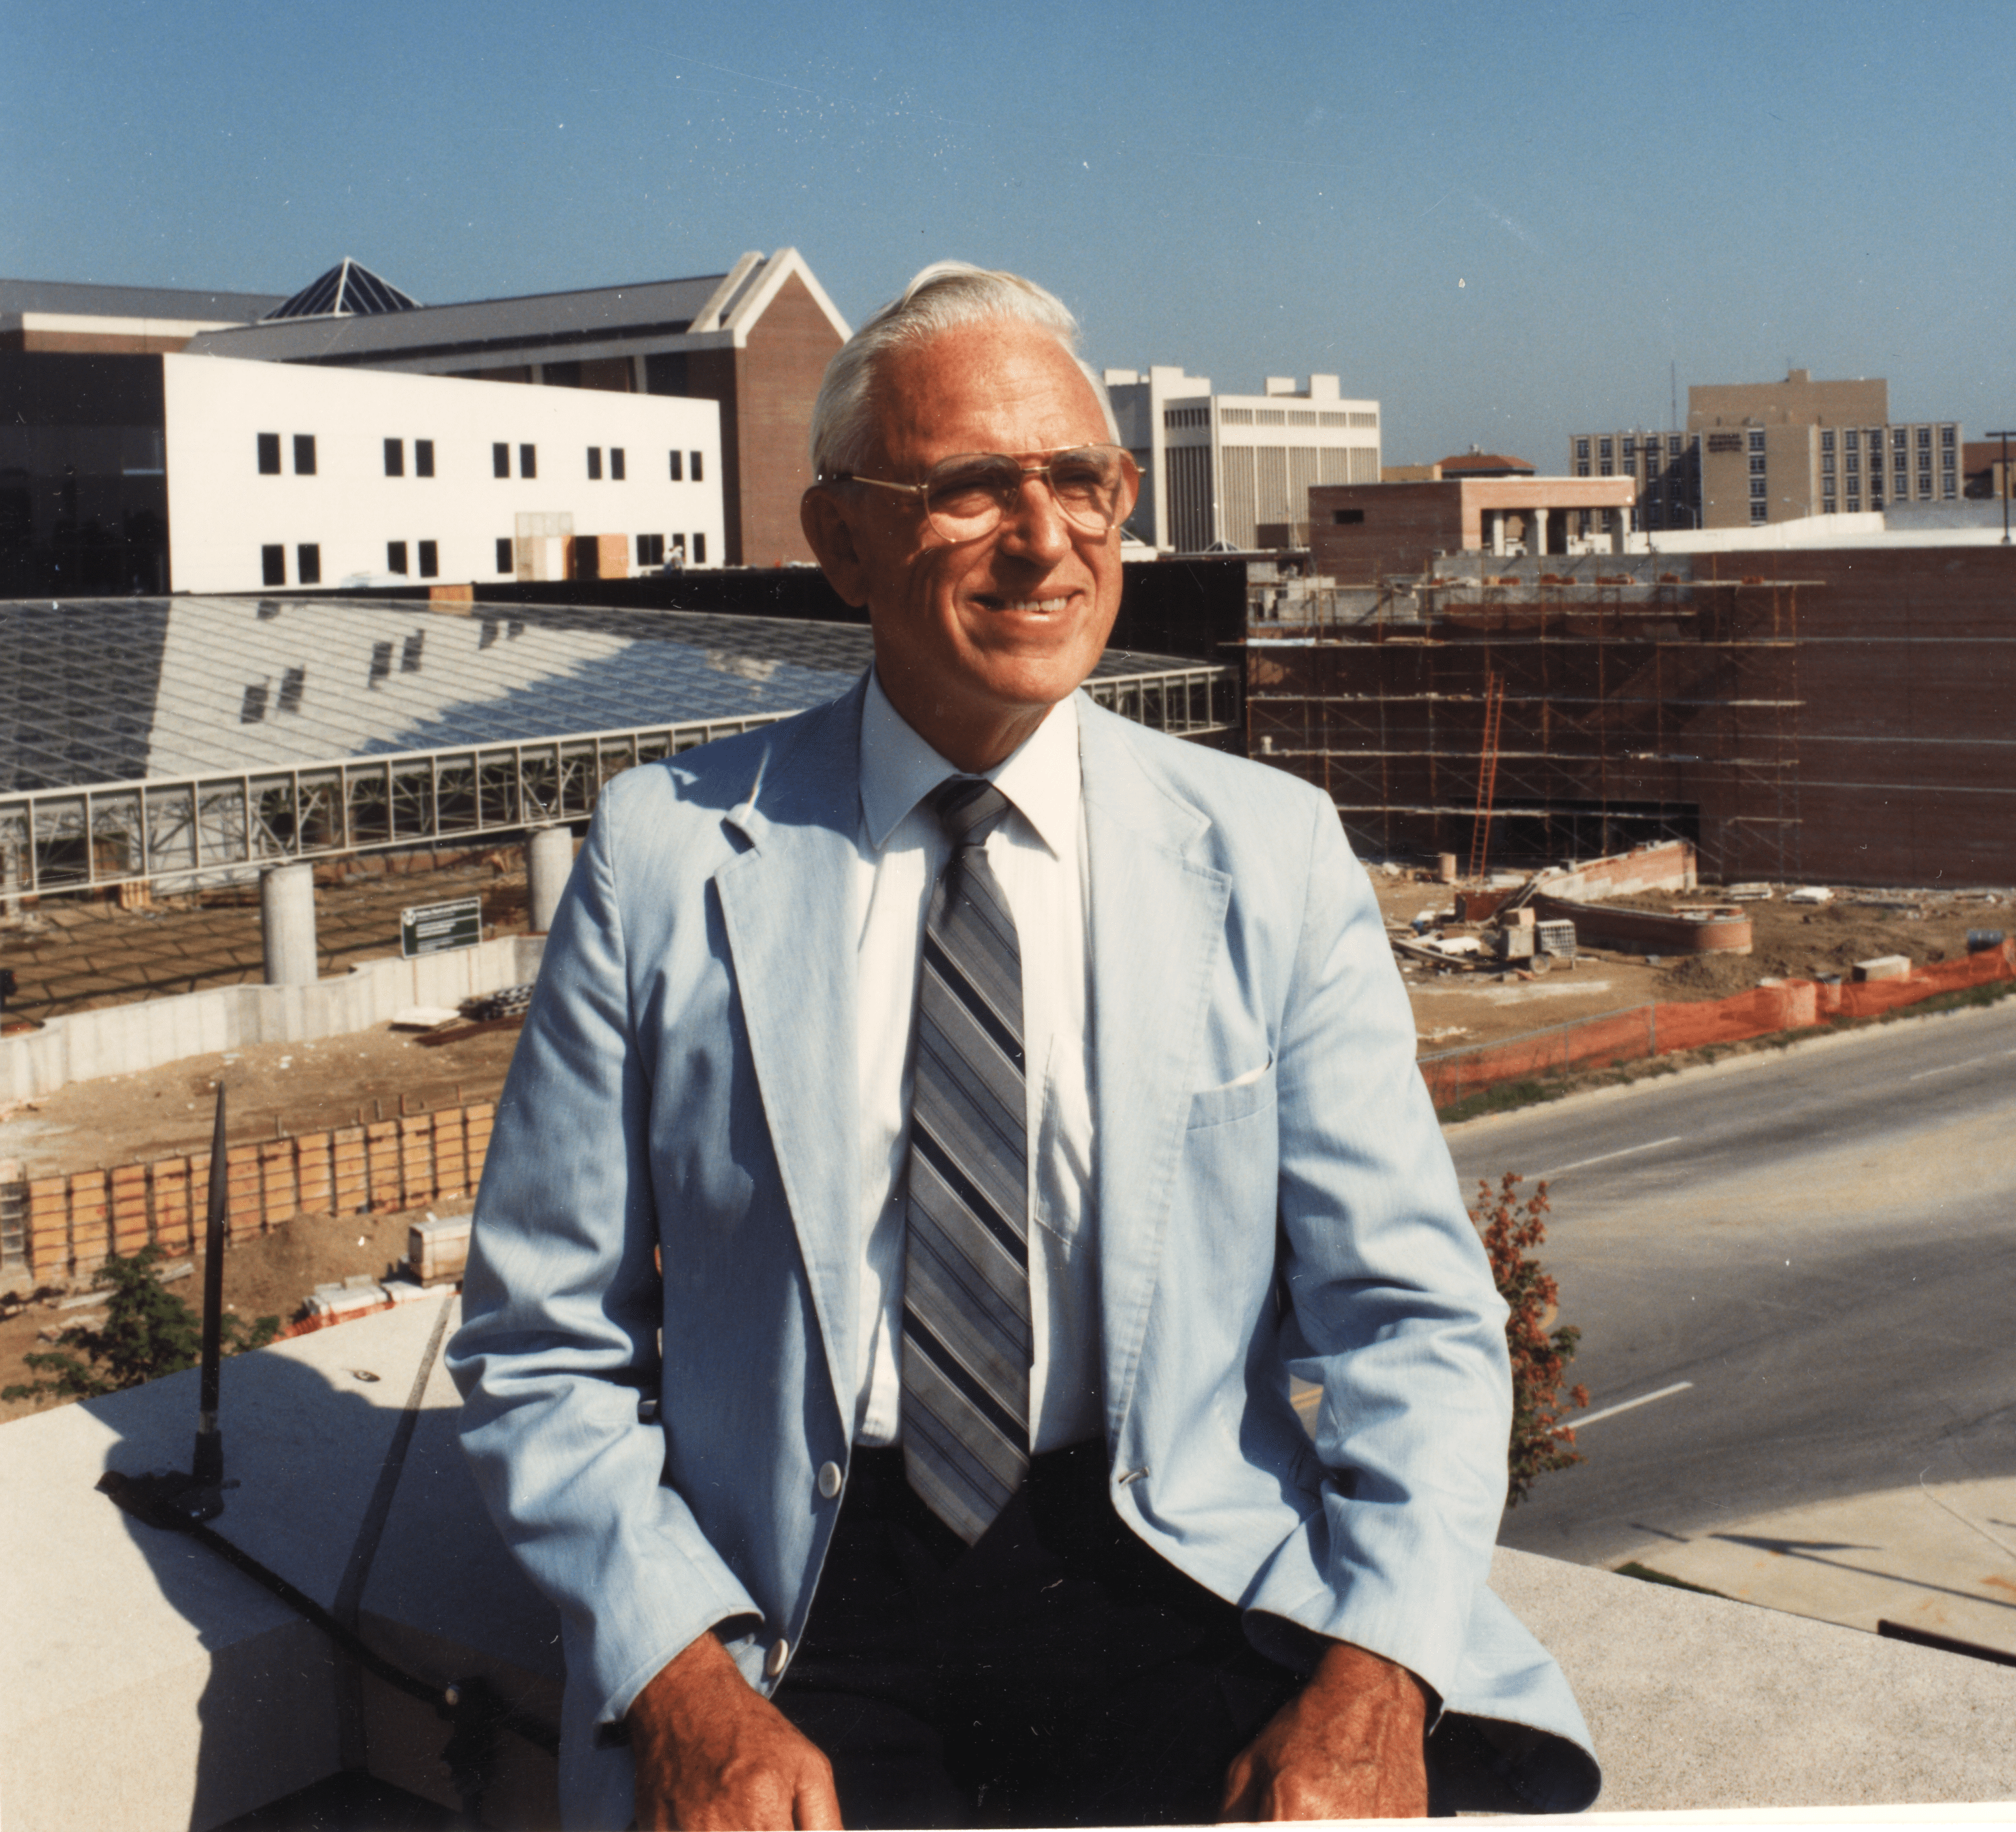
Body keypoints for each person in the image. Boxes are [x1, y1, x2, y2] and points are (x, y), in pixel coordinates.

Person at [449, 263, 1600, 1829]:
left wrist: (1375, 1677)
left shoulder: (1269, 851)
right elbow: (540, 1342)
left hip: (1180, 1568)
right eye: (973, 487)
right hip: (800, 1602)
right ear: (839, 540)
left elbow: (1412, 1323)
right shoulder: (666, 854)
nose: (1046, 537)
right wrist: (681, 1681)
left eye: (1082, 480)